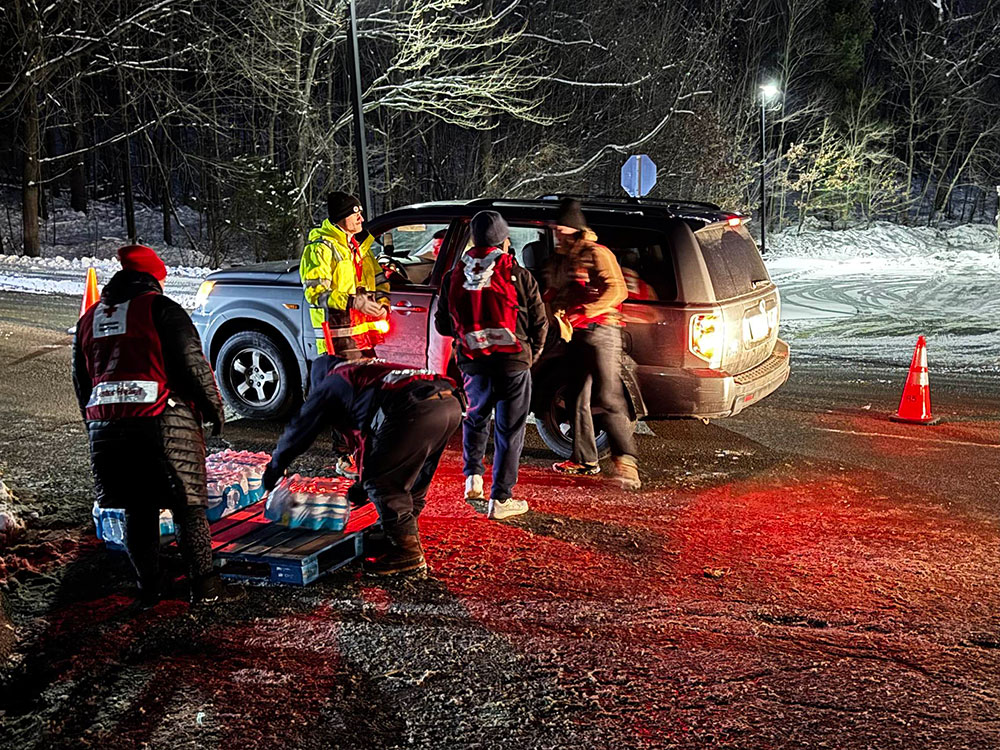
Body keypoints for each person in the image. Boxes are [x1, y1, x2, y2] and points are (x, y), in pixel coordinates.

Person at [72, 245, 243, 608]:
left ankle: (149, 587)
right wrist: (215, 409)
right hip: (162, 421)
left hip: (108, 426)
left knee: (138, 508)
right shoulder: (161, 309)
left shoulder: (89, 319)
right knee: (188, 506)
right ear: (153, 278)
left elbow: (82, 381)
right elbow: (191, 364)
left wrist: (96, 422)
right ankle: (206, 586)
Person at [262, 358, 462, 576]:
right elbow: (371, 443)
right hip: (449, 404)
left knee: (383, 481)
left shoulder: (333, 384)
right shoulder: (364, 374)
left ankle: (407, 550)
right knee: (413, 474)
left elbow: (300, 429)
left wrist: (275, 467)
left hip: (414, 408)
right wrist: (361, 483)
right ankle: (396, 533)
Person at [435, 211, 547, 520]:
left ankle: (473, 479)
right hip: (513, 362)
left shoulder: (454, 275)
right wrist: (530, 354)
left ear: (473, 239)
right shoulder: (519, 274)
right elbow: (540, 322)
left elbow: (443, 325)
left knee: (475, 418)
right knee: (509, 430)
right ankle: (501, 499)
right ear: (504, 240)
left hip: (473, 361)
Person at [545, 198, 641, 490]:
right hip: (576, 336)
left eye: (561, 227)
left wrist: (587, 310)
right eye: (555, 228)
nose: (557, 233)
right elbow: (557, 290)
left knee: (608, 398)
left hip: (601, 333)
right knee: (576, 398)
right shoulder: (563, 257)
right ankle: (585, 459)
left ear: (574, 228)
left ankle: (627, 464)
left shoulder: (597, 253)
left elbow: (617, 289)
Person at [300, 191, 390, 360]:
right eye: (356, 215)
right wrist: (353, 302)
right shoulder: (320, 248)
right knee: (345, 384)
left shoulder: (360, 247)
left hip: (364, 339)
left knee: (366, 382)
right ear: (342, 217)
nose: (361, 219)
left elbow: (379, 281)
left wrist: (383, 304)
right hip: (337, 338)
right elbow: (315, 293)